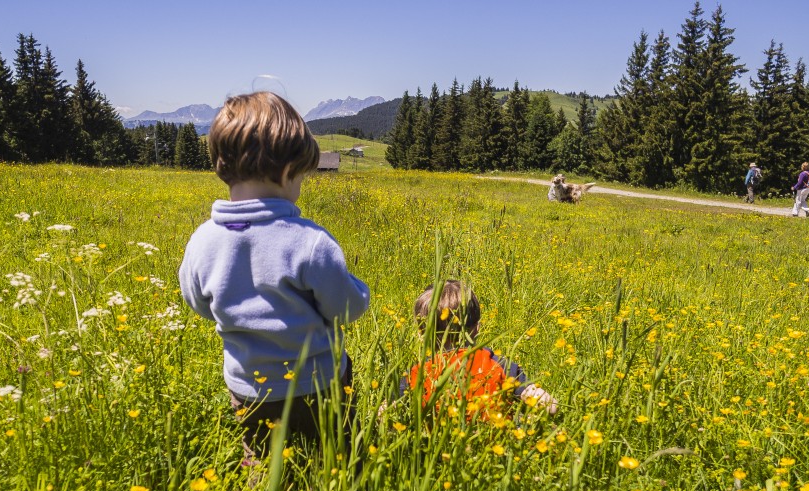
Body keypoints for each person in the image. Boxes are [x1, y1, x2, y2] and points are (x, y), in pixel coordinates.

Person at [178, 92, 371, 451]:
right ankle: (343, 484)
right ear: (286, 172)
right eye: (300, 177)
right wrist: (361, 292)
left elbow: (198, 302)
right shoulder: (308, 241)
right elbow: (345, 308)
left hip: (249, 386)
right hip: (318, 382)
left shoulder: (202, 241)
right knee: (336, 448)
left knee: (261, 454)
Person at [401, 280, 557, 422]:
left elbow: (384, 412)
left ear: (422, 333)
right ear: (477, 328)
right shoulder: (499, 365)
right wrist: (527, 419)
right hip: (497, 444)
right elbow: (550, 406)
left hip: (435, 447)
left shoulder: (417, 374)